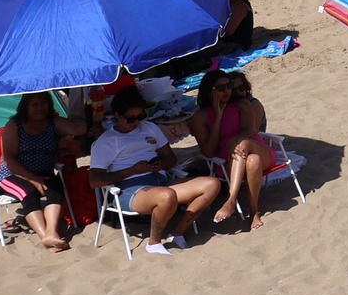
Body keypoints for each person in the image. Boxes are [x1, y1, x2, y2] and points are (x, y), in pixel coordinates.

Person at [88, 89, 224, 254]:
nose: (137, 122)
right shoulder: (107, 141)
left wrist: (160, 164)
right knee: (166, 196)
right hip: (128, 190)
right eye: (131, 119)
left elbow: (170, 158)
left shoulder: (149, 128)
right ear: (117, 115)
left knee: (211, 184)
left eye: (141, 116)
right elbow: (94, 181)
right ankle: (153, 242)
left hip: (160, 181)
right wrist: (132, 170)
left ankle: (177, 233)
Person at [0, 91, 83, 251]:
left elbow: (77, 129)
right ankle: (45, 236)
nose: (40, 108)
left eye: (43, 103)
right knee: (28, 191)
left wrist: (86, 114)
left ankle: (51, 232)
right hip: (12, 175)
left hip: (43, 173)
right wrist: (33, 179)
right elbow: (9, 160)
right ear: (26, 107)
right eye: (34, 104)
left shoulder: (52, 122)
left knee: (55, 187)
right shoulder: (14, 125)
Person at [188, 71, 274, 229]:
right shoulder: (201, 117)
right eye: (221, 88)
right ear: (209, 91)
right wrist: (218, 117)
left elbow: (250, 129)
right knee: (253, 161)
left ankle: (231, 199)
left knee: (244, 144)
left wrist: (235, 140)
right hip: (228, 162)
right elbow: (208, 152)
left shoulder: (242, 104)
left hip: (259, 149)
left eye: (228, 86)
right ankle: (254, 212)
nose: (227, 90)